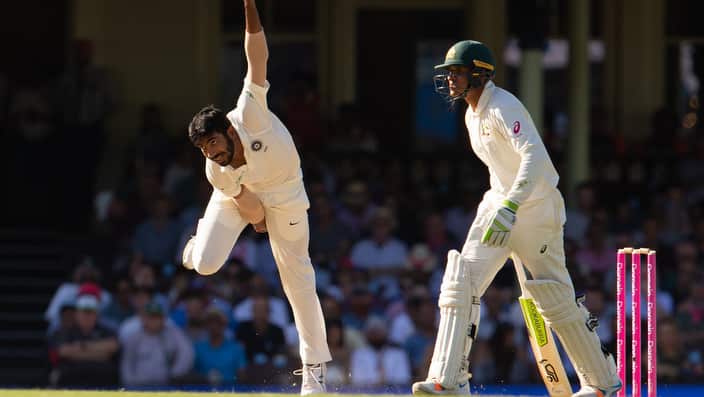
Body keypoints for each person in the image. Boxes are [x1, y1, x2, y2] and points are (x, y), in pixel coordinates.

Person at [411, 40, 621, 397]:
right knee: (461, 283)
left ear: (478, 74)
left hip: (536, 209)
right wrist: (502, 206)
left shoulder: (504, 106)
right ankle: (449, 380)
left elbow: (535, 158)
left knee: (553, 297)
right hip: (498, 204)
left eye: (457, 73)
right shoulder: (470, 114)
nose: (449, 80)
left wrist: (512, 206)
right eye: (448, 73)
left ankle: (602, 383)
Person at [180, 0, 331, 394]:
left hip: (287, 196)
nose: (211, 155)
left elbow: (256, 55)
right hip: (243, 197)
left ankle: (314, 372)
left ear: (228, 131)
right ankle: (195, 246)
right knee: (207, 265)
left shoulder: (249, 113)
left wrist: (249, 5)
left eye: (214, 144)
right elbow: (251, 211)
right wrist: (259, 219)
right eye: (204, 151)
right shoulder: (216, 168)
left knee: (298, 279)